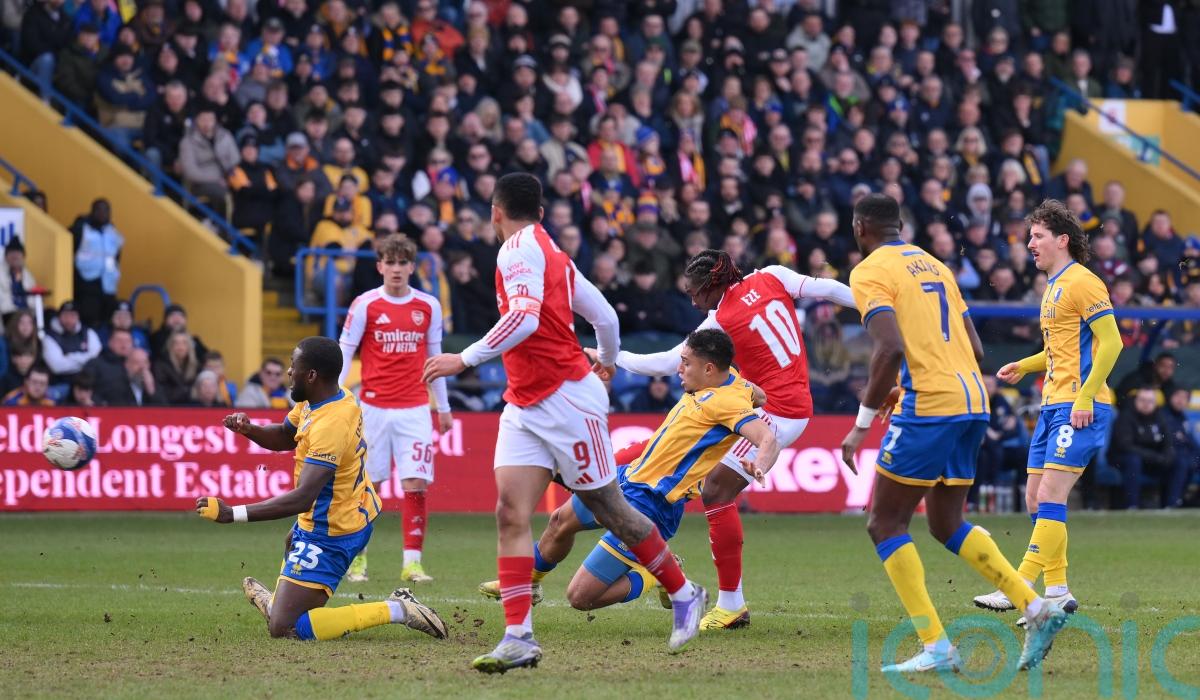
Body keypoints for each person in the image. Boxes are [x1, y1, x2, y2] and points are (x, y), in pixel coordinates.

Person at [422, 173, 704, 672]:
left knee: (609, 507)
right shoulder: (552, 252)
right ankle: (518, 637)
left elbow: (525, 318)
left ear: (495, 212)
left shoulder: (516, 251)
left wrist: (462, 359)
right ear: (541, 211)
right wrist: (608, 360)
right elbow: (606, 318)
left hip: (567, 400)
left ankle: (683, 592)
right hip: (524, 403)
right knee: (510, 512)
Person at [839, 193, 1067, 673]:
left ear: (860, 228)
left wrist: (860, 426)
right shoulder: (937, 266)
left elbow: (888, 348)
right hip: (973, 401)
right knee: (945, 523)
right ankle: (1035, 606)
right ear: (900, 226)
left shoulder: (870, 270)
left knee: (885, 523)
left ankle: (937, 646)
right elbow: (976, 349)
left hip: (931, 404)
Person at [607, 248, 856, 630]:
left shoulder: (721, 320)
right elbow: (827, 289)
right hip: (783, 401)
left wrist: (615, 357)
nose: (693, 301)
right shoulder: (772, 275)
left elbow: (668, 362)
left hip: (775, 411)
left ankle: (730, 605)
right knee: (677, 443)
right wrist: (870, 306)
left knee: (716, 490)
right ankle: (725, 600)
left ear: (712, 286)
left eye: (695, 293)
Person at [480, 330, 779, 611]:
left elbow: (767, 438)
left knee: (580, 597)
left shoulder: (727, 404)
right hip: (627, 479)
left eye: (686, 363)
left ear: (710, 369)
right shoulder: (728, 382)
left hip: (652, 504)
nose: (679, 369)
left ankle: (656, 572)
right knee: (560, 521)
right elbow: (761, 396)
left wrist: (760, 465)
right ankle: (528, 584)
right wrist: (747, 390)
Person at [195, 336, 448, 643]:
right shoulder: (320, 400)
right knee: (292, 544)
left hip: (334, 531)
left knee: (285, 628)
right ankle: (278, 604)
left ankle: (398, 609)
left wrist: (231, 514)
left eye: (293, 365)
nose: (289, 371)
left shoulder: (332, 424)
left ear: (312, 375)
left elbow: (303, 498)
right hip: (336, 514)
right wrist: (251, 430)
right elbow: (286, 435)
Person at [972, 200, 1121, 630]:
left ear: (1062, 240)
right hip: (1052, 404)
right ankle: (1057, 590)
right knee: (1035, 499)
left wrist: (1085, 397)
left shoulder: (1083, 282)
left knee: (1052, 495)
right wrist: (1025, 365)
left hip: (1079, 407)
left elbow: (1112, 343)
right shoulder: (1053, 286)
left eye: (1037, 236)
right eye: (1030, 236)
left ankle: (1019, 586)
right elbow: (1060, 350)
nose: (1030, 244)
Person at [338, 234, 452, 584]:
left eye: (403, 262)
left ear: (412, 267)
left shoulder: (428, 306)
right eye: (390, 262)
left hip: (415, 408)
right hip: (373, 408)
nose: (397, 269)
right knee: (367, 486)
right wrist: (336, 397)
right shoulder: (365, 305)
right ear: (380, 266)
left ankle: (412, 564)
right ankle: (358, 559)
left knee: (416, 483)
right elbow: (345, 350)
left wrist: (443, 407)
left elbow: (435, 358)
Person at [1110, 387, 1186, 509]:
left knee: (1179, 461)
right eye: (1142, 400)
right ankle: (1132, 505)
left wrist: (1167, 455)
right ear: (1136, 400)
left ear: (1155, 403)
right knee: (1133, 461)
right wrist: (1155, 457)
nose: (1146, 404)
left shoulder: (1160, 417)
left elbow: (1168, 442)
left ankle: (1171, 505)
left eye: (1150, 401)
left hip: (1152, 460)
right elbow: (1125, 446)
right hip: (1125, 459)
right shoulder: (1126, 416)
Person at [70, 199, 124, 329]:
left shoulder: (112, 231)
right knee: (89, 321)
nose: (103, 213)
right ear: (92, 211)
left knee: (108, 321)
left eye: (106, 210)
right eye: (99, 209)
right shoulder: (81, 229)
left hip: (108, 285)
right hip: (86, 284)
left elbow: (116, 256)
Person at [43, 300, 102, 384]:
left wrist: (70, 357)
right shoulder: (49, 337)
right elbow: (57, 367)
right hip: (61, 383)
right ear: (59, 316)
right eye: (65, 315)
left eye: (72, 315)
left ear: (78, 317)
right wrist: (85, 359)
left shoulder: (88, 333)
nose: (69, 319)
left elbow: (96, 359)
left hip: (87, 383)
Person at [96, 347, 164, 406]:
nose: (142, 367)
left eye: (145, 362)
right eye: (136, 362)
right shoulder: (116, 385)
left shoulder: (156, 386)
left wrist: (151, 390)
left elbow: (164, 411)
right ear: (127, 365)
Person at [154, 329, 200, 404]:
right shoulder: (161, 365)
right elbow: (162, 394)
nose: (180, 347)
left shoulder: (196, 366)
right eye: (176, 343)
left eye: (184, 343)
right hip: (170, 407)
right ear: (170, 346)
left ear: (189, 346)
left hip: (192, 408)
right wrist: (186, 390)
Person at [0, 237, 37, 321]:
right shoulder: (1, 273)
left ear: (23, 257)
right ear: (6, 257)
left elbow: (33, 300)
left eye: (17, 253)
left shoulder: (28, 276)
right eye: (12, 254)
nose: (15, 256)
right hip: (7, 314)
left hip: (26, 315)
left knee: (48, 314)